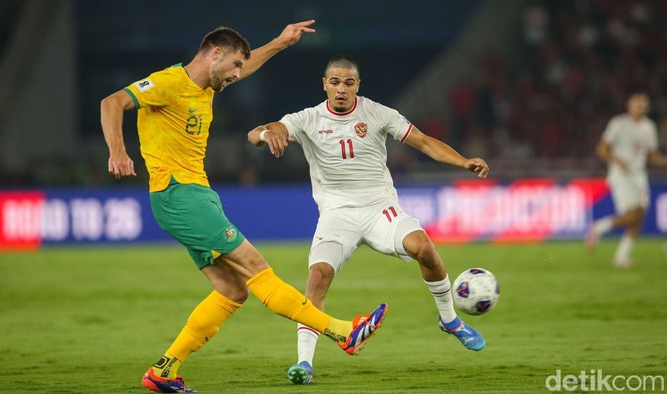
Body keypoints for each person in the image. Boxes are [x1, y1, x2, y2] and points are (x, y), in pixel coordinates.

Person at [100, 25, 388, 393]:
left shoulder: (206, 86)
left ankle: (163, 371)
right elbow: (112, 102)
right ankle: (342, 332)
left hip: (196, 196)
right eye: (235, 64)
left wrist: (281, 44)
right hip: (179, 194)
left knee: (232, 290)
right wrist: (118, 151)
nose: (238, 74)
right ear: (215, 53)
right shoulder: (168, 83)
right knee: (257, 269)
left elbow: (248, 65)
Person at [247, 56, 490, 385]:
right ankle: (304, 363)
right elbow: (258, 132)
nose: (341, 89)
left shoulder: (378, 113)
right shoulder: (307, 119)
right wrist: (266, 135)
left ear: (358, 85)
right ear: (325, 84)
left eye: (349, 82)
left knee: (424, 247)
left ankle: (449, 320)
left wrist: (463, 162)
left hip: (380, 208)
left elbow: (423, 141)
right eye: (335, 82)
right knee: (317, 277)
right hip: (337, 214)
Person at [585, 93, 667, 267]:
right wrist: (617, 161)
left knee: (639, 217)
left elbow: (651, 155)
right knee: (631, 215)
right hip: (621, 175)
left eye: (644, 105)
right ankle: (598, 227)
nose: (641, 108)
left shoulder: (648, 127)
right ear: (629, 105)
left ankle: (621, 257)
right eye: (638, 104)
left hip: (639, 175)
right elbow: (601, 149)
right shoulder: (618, 124)